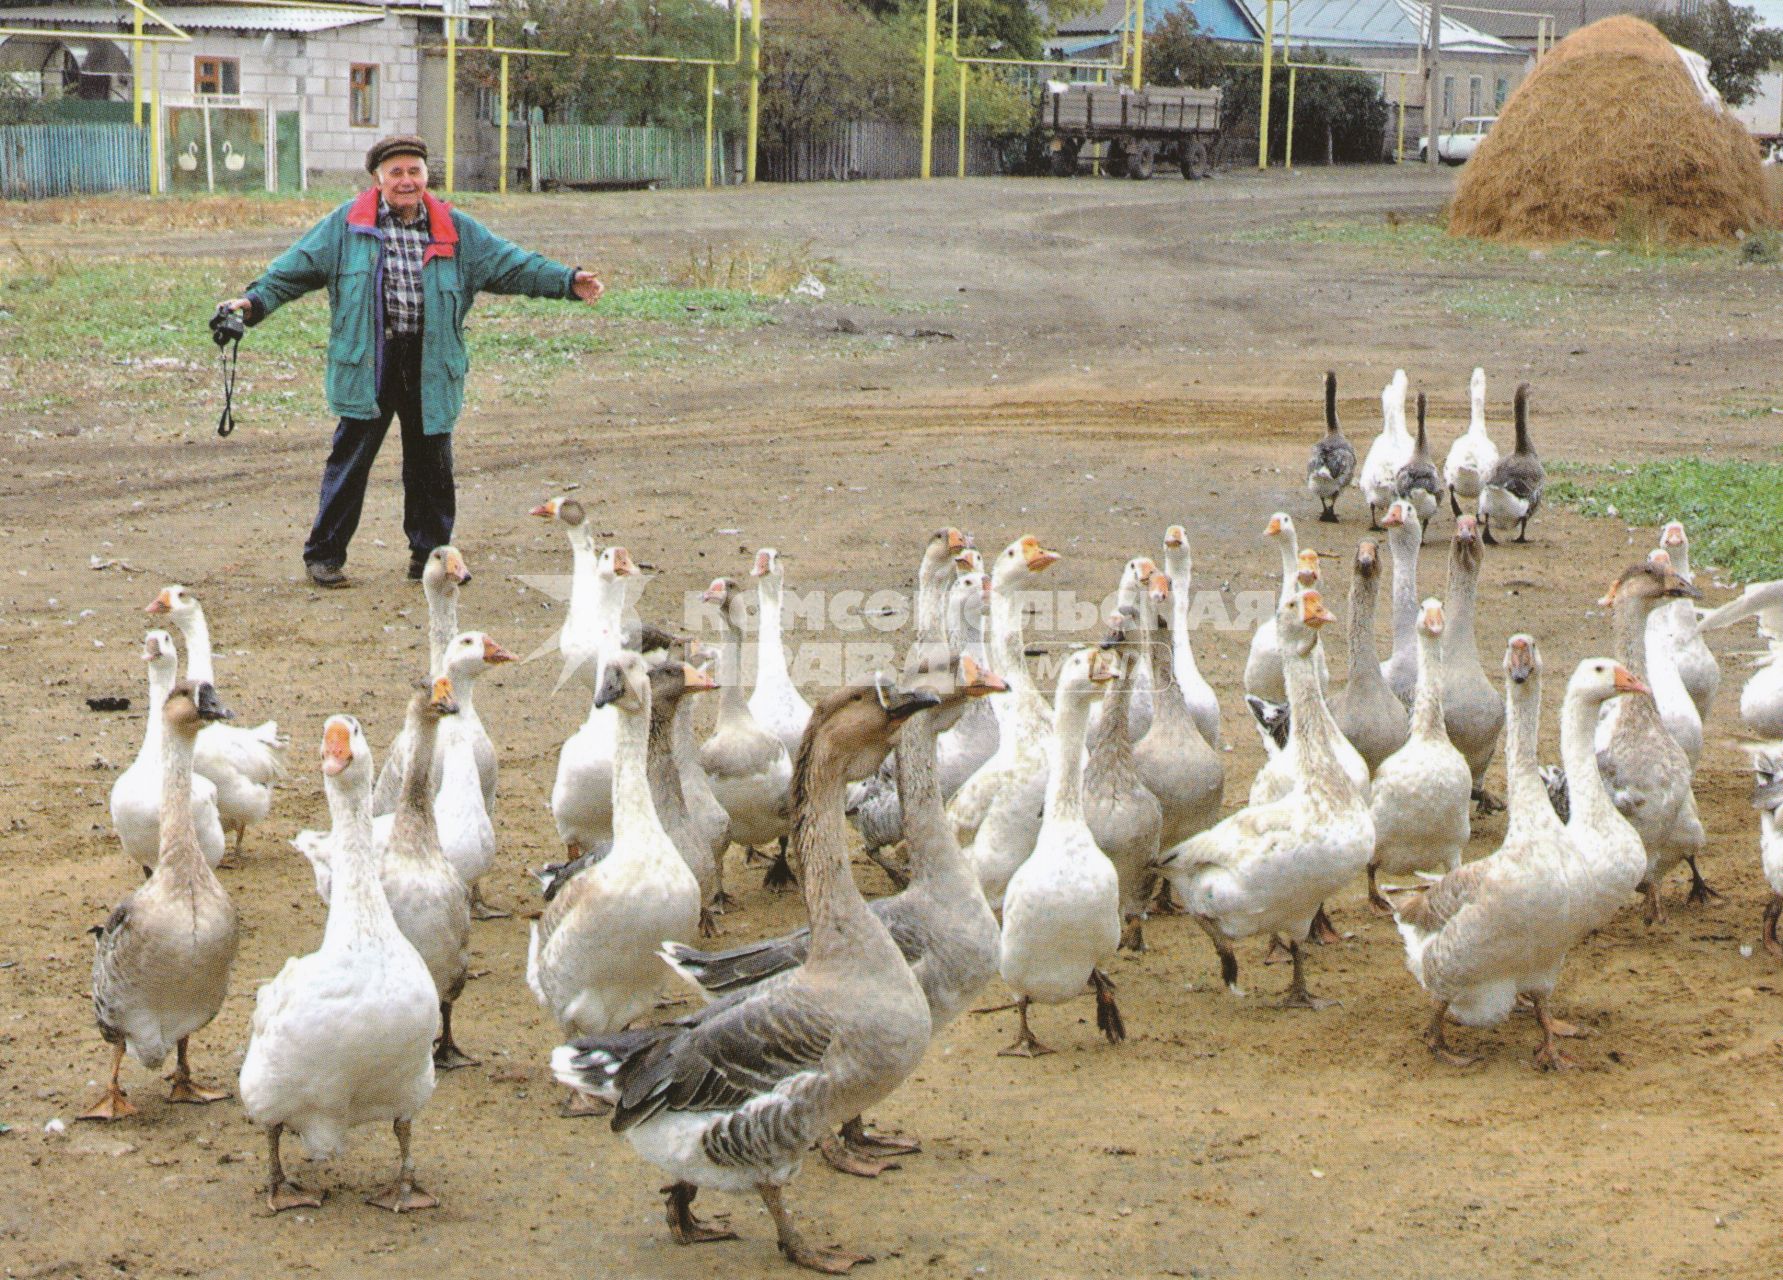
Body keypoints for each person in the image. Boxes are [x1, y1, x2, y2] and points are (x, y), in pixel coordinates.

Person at [220, 134, 604, 588]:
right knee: (351, 461)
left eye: (414, 171)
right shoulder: (347, 226)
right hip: (370, 363)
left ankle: (431, 556)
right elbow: (293, 269)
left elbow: (512, 263)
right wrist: (251, 302)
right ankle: (324, 555)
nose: (406, 181)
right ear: (378, 179)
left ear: (426, 176)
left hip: (430, 364)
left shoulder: (455, 228)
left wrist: (566, 280)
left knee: (431, 467)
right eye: (396, 172)